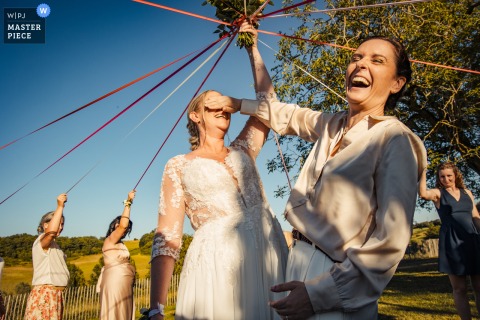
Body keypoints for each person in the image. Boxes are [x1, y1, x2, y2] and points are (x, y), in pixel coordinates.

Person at [204, 22, 427, 319]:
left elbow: (391, 241)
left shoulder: (396, 139)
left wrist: (321, 294)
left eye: (377, 60)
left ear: (397, 83)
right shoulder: (330, 124)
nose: (360, 64)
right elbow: (286, 115)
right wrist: (235, 103)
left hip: (336, 275)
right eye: (356, 57)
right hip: (295, 259)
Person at [148, 67, 289, 318]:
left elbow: (269, 104)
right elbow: (167, 238)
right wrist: (156, 308)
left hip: (268, 252)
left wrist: (252, 47)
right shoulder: (178, 165)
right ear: (195, 116)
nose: (221, 107)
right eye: (212, 103)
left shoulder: (243, 150)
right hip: (218, 263)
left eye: (224, 103)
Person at [419, 162, 480, 320]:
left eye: (449, 176)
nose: (446, 179)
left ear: (455, 175)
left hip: (472, 240)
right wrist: (423, 171)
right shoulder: (438, 194)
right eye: (442, 176)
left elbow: (475, 217)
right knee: (459, 288)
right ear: (439, 178)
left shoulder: (467, 192)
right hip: (452, 242)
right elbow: (423, 194)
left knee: (479, 287)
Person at [24, 193, 70, 320]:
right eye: (58, 223)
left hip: (55, 295)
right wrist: (60, 207)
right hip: (45, 294)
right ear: (45, 225)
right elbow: (51, 232)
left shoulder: (56, 246)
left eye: (62, 224)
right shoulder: (41, 241)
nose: (60, 227)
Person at [98, 190, 136, 320]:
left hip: (125, 282)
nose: (124, 229)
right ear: (114, 225)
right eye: (119, 224)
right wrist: (129, 202)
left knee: (124, 310)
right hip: (115, 281)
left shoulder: (120, 243)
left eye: (127, 229)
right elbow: (123, 226)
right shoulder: (110, 239)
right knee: (115, 309)